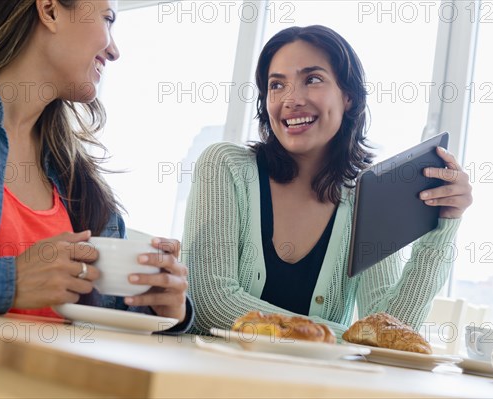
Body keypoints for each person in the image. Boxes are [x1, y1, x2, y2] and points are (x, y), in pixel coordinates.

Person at [181, 25, 472, 337]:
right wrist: (340, 338)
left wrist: (442, 228)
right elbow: (212, 303)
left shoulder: (368, 200)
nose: (291, 99)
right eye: (277, 85)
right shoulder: (224, 166)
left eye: (313, 79)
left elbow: (391, 332)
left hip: (315, 386)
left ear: (348, 96)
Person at [0, 0, 192, 332]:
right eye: (107, 19)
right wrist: (8, 283)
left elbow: (109, 311)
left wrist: (160, 307)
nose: (114, 51)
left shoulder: (75, 174)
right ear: (50, 10)